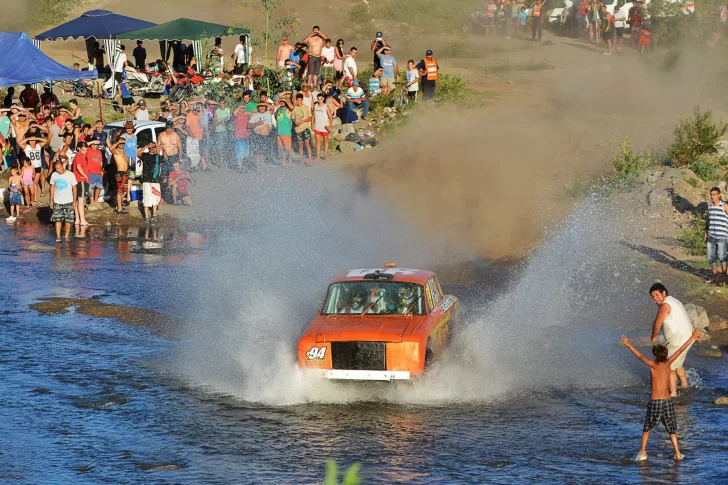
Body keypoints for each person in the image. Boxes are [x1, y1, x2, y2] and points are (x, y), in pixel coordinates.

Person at [620, 329, 702, 461]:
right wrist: (692, 337)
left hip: (655, 402)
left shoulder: (653, 365)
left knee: (647, 429)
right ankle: (678, 453)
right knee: (672, 430)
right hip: (668, 402)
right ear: (665, 355)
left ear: (654, 357)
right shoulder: (669, 363)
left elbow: (640, 356)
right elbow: (680, 350)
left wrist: (628, 343)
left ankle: (642, 453)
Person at [648, 283, 696, 397]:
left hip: (678, 339)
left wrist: (653, 336)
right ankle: (684, 384)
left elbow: (656, 325)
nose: (655, 298)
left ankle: (673, 394)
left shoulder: (665, 305)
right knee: (678, 362)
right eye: (653, 297)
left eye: (657, 295)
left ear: (664, 293)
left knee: (668, 365)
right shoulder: (675, 301)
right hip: (687, 337)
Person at [49, 159, 78, 242]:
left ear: (63, 166)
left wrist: (74, 201)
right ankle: (58, 236)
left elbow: (74, 188)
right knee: (57, 219)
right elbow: (52, 187)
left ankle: (66, 235)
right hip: (57, 200)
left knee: (68, 219)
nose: (58, 170)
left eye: (59, 168)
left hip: (68, 200)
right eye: (56, 168)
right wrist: (51, 200)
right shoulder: (54, 175)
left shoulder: (70, 175)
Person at [703, 187, 728, 283]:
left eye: (714, 194)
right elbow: (708, 221)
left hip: (722, 236)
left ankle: (724, 278)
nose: (712, 196)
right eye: (711, 194)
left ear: (719, 195)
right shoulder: (710, 206)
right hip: (711, 236)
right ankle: (716, 278)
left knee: (722, 257)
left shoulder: (724, 205)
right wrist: (705, 233)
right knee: (711, 258)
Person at [18, 133, 47, 204]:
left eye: (33, 140)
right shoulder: (27, 147)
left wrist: (37, 138)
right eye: (31, 140)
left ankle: (35, 198)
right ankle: (30, 199)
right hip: (30, 168)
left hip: (38, 166)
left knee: (35, 183)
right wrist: (27, 139)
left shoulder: (38, 146)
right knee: (29, 182)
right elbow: (19, 143)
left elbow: (46, 140)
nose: (32, 141)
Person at [138, 142, 163, 223]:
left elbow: (165, 159)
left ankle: (154, 215)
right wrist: (146, 145)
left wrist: (162, 148)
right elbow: (138, 153)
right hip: (146, 179)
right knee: (146, 198)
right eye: (150, 147)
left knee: (155, 197)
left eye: (153, 147)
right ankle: (146, 216)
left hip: (155, 180)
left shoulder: (157, 157)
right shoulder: (145, 155)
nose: (152, 148)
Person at [247, 102, 274, 171]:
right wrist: (257, 123)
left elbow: (272, 108)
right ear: (258, 107)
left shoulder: (268, 113)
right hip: (257, 136)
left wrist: (264, 103)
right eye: (260, 106)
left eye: (263, 106)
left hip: (265, 137)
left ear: (265, 107)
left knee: (263, 153)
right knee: (257, 153)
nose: (262, 107)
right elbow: (248, 126)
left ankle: (261, 167)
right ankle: (258, 168)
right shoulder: (255, 115)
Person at [71, 141, 90, 226]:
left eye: (86, 150)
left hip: (78, 180)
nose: (85, 152)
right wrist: (85, 176)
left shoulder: (80, 155)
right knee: (81, 200)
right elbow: (78, 167)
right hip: (81, 180)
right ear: (78, 148)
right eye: (83, 150)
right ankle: (82, 220)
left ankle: (77, 219)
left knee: (78, 200)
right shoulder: (79, 155)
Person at [109, 135, 129, 214]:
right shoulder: (116, 151)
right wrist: (118, 142)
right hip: (119, 173)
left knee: (125, 191)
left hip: (125, 173)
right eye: (120, 143)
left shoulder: (124, 152)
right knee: (120, 191)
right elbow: (111, 148)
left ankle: (118, 205)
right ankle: (119, 209)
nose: (121, 144)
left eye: (123, 143)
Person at [292, 94, 313, 165]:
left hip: (305, 128)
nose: (298, 101)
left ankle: (310, 160)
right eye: (297, 100)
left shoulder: (306, 108)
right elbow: (293, 118)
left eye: (300, 100)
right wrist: (295, 122)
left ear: (302, 100)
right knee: (300, 145)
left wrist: (303, 121)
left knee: (307, 143)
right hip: (298, 129)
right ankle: (301, 161)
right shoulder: (294, 108)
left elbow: (310, 118)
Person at [121, 120, 137, 206]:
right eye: (127, 128)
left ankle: (128, 195)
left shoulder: (135, 137)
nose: (129, 130)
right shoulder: (123, 137)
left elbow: (135, 149)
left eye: (130, 128)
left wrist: (137, 157)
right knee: (125, 179)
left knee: (131, 178)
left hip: (133, 160)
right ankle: (125, 196)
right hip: (126, 160)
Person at [313, 93, 333, 161]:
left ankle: (325, 155)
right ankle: (318, 156)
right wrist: (312, 125)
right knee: (318, 142)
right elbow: (313, 116)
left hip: (325, 127)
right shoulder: (315, 106)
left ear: (323, 99)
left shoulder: (326, 106)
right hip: (317, 126)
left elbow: (330, 117)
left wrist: (330, 126)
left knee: (326, 141)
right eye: (318, 99)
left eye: (321, 98)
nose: (319, 100)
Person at [185, 102, 205, 171]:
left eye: (197, 111)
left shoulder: (199, 116)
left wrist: (200, 119)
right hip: (192, 138)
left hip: (199, 137)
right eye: (195, 110)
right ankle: (191, 166)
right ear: (193, 109)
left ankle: (197, 165)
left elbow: (202, 126)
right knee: (191, 153)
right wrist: (192, 135)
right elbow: (187, 127)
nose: (196, 112)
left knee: (198, 153)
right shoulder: (190, 115)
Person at [275, 96, 294, 167]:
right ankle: (284, 162)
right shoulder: (279, 109)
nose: (282, 102)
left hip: (286, 132)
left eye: (283, 101)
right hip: (279, 132)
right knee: (281, 148)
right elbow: (275, 116)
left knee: (288, 148)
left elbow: (292, 107)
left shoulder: (287, 109)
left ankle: (290, 162)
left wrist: (286, 100)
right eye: (281, 101)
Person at [233, 102, 252, 170]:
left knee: (245, 153)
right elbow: (234, 113)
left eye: (244, 108)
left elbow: (253, 114)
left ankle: (241, 166)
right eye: (241, 108)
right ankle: (240, 167)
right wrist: (239, 107)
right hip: (238, 135)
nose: (243, 109)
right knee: (239, 152)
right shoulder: (237, 114)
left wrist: (246, 111)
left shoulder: (246, 114)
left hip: (246, 136)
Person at [85, 139, 104, 205]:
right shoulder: (88, 150)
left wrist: (102, 171)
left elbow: (101, 162)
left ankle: (96, 201)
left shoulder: (99, 151)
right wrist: (92, 142)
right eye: (93, 144)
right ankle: (92, 201)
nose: (94, 145)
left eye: (96, 144)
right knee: (91, 187)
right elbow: (84, 145)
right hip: (91, 172)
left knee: (99, 187)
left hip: (99, 172)